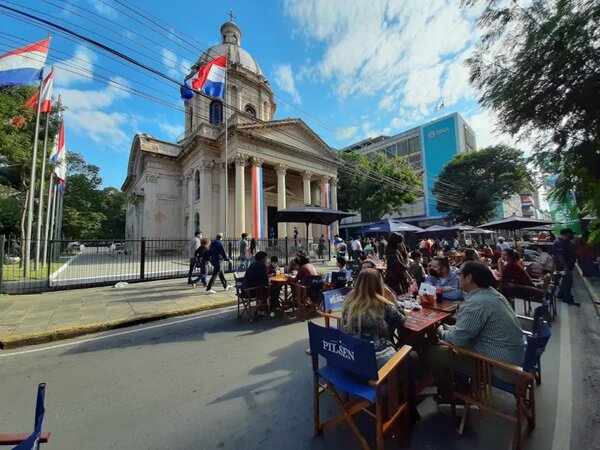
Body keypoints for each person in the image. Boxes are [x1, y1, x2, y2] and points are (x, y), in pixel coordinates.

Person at [428, 261, 526, 402]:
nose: (457, 276)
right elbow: (468, 330)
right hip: (515, 358)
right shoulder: (491, 293)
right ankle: (460, 385)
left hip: (502, 368)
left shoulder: (476, 303)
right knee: (448, 340)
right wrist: (449, 330)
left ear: (469, 278)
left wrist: (440, 332)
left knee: (435, 352)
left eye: (459, 274)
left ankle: (449, 396)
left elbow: (458, 340)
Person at [552, 228, 579, 306]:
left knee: (565, 281)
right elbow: (561, 256)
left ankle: (561, 295)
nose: (572, 235)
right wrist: (565, 267)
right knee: (568, 282)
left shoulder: (564, 242)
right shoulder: (559, 243)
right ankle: (567, 298)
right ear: (567, 234)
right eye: (571, 234)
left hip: (566, 266)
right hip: (563, 267)